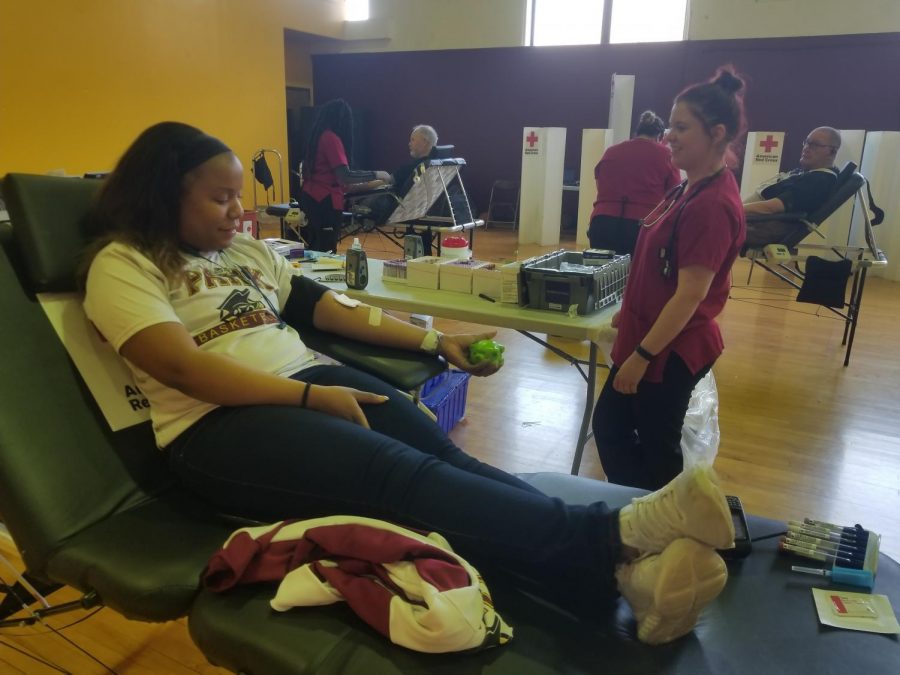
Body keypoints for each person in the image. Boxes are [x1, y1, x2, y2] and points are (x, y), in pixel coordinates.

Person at [81, 121, 735, 645]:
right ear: (166, 193)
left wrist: (434, 340)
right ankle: (615, 533)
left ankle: (624, 582)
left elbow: (329, 309)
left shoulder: (244, 253)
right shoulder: (124, 265)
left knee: (447, 459)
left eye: (237, 197)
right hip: (214, 427)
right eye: (220, 198)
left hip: (306, 382)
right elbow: (181, 368)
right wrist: (311, 397)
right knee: (402, 479)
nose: (237, 212)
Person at [592, 68, 748, 492]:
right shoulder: (686, 188)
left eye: (681, 128)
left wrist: (642, 356)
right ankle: (644, 513)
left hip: (669, 347)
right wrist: (630, 309)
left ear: (716, 134)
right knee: (612, 428)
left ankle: (667, 526)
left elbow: (690, 295)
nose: (669, 137)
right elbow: (656, 262)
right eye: (670, 126)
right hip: (648, 333)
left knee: (655, 448)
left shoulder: (712, 204)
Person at [299, 99, 391, 253]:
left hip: (311, 198)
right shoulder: (331, 139)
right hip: (325, 201)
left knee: (315, 247)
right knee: (326, 250)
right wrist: (376, 174)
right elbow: (345, 176)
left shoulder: (317, 137)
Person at [587, 111, 682, 255]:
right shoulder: (666, 155)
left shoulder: (611, 152)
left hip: (602, 223)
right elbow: (674, 197)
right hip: (641, 226)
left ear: (636, 132)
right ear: (660, 136)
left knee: (603, 275)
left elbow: (600, 186)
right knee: (635, 276)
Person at [742, 126, 841, 249]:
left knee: (712, 223)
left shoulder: (819, 181)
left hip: (758, 225)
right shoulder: (810, 173)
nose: (806, 148)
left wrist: (734, 210)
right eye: (806, 142)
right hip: (752, 220)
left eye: (814, 145)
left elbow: (773, 207)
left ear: (832, 151)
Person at [355, 124, 442, 252]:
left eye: (412, 139)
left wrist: (358, 187)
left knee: (362, 200)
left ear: (424, 142)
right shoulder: (437, 164)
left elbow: (388, 181)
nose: (409, 143)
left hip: (400, 209)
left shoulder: (411, 167)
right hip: (427, 208)